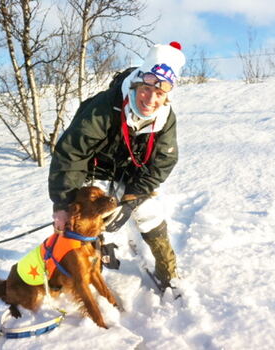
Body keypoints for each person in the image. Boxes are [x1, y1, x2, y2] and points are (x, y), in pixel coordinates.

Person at [48, 41, 186, 291]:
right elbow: (71, 153)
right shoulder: (103, 106)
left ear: (167, 95)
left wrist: (131, 198)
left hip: (132, 175)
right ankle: (84, 269)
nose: (150, 99)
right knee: (86, 217)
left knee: (149, 214)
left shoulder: (166, 118)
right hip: (95, 170)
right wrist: (62, 204)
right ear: (136, 84)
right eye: (146, 88)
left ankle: (169, 272)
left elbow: (163, 162)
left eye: (160, 94)